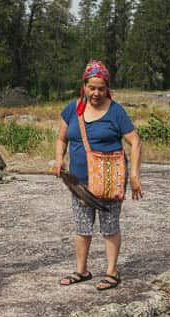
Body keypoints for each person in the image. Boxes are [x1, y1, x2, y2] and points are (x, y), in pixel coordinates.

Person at [51, 60, 143, 290]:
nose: (96, 93)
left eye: (101, 88)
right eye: (92, 87)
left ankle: (111, 271)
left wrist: (133, 175)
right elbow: (62, 138)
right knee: (82, 227)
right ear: (84, 85)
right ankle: (81, 270)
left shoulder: (116, 111)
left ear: (107, 87)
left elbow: (135, 142)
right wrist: (59, 159)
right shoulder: (72, 109)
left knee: (109, 226)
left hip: (109, 179)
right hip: (79, 182)